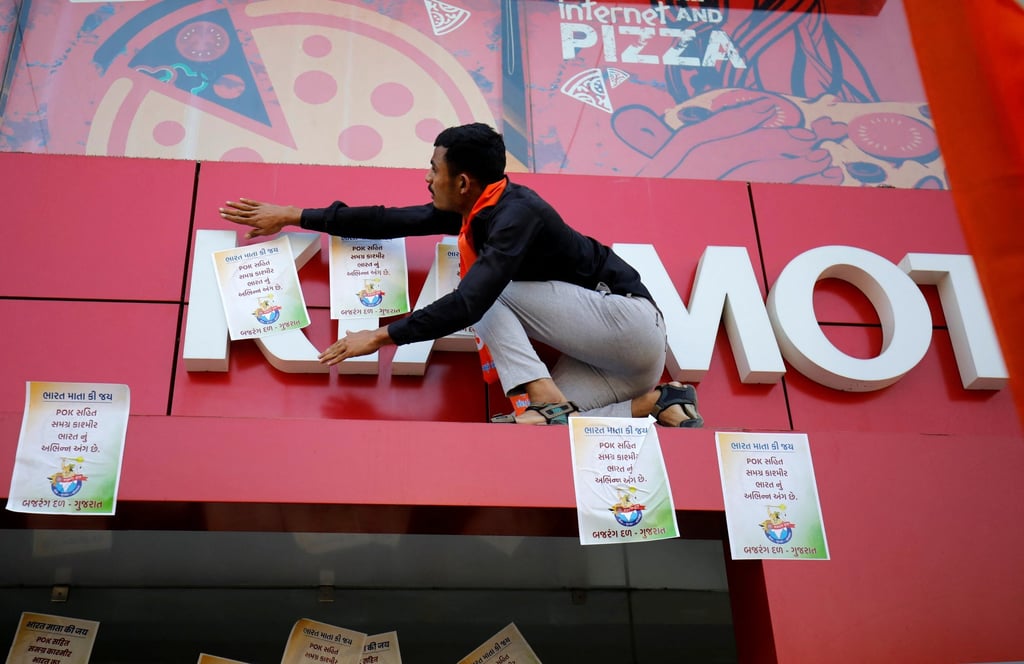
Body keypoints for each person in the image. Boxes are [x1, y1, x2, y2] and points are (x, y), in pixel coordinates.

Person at [219, 123, 702, 427]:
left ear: (463, 181)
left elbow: (473, 303)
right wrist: (293, 213)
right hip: (625, 369)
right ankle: (653, 402)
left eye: (433, 169)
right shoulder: (474, 209)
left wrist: (382, 336)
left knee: (484, 291)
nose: (427, 179)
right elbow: (390, 220)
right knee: (531, 434)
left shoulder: (518, 214)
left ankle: (539, 393)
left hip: (629, 324)